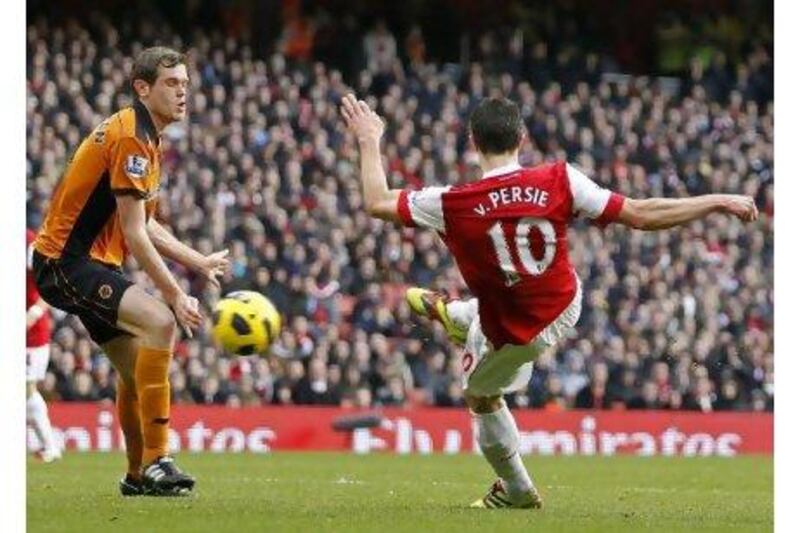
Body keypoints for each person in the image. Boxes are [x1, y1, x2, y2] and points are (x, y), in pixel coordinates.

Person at [340, 94, 758, 509]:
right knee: (497, 302)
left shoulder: (451, 202)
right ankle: (460, 315)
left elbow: (376, 201)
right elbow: (641, 214)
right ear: (522, 137)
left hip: (516, 333)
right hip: (565, 303)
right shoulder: (560, 179)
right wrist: (716, 201)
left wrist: (368, 138)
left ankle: (516, 490)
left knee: (481, 399)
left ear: (472, 141)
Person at [31, 47, 230, 496]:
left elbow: (146, 223)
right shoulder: (131, 137)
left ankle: (138, 476)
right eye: (171, 84)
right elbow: (135, 234)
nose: (183, 92)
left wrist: (197, 260)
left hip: (87, 262)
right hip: (66, 262)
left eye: (185, 83)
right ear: (143, 89)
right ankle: (159, 460)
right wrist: (176, 294)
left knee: (136, 372)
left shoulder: (144, 135)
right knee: (160, 321)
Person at [26, 228, 61, 463]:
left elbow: (53, 281)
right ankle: (49, 447)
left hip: (31, 334)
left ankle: (50, 447)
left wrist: (34, 312)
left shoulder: (28, 243)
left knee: (25, 388)